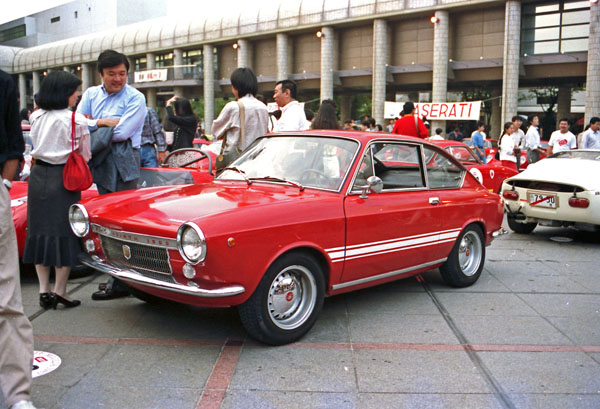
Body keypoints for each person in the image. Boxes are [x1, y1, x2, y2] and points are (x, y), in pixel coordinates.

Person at [77, 49, 146, 300]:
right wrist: (103, 122)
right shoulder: (91, 94)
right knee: (104, 222)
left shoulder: (136, 98)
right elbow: (76, 121)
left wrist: (93, 122)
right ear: (101, 74)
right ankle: (119, 278)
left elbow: (123, 133)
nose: (118, 79)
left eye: (122, 73)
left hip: (124, 159)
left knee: (122, 222)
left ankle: (124, 280)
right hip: (99, 158)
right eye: (111, 74)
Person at [24, 70, 90, 311]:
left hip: (38, 176)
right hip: (64, 178)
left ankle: (43, 290)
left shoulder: (36, 116)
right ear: (65, 92)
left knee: (38, 232)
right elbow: (85, 154)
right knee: (64, 233)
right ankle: (61, 291)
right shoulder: (76, 119)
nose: (77, 95)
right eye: (74, 91)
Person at [0, 69, 37, 409]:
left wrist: (4, 185)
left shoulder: (2, 80)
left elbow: (13, 145)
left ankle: (16, 395)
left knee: (6, 299)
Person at [211, 67, 269, 167]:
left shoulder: (233, 107)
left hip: (237, 161)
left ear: (236, 87)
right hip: (259, 158)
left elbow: (215, 132)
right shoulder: (263, 107)